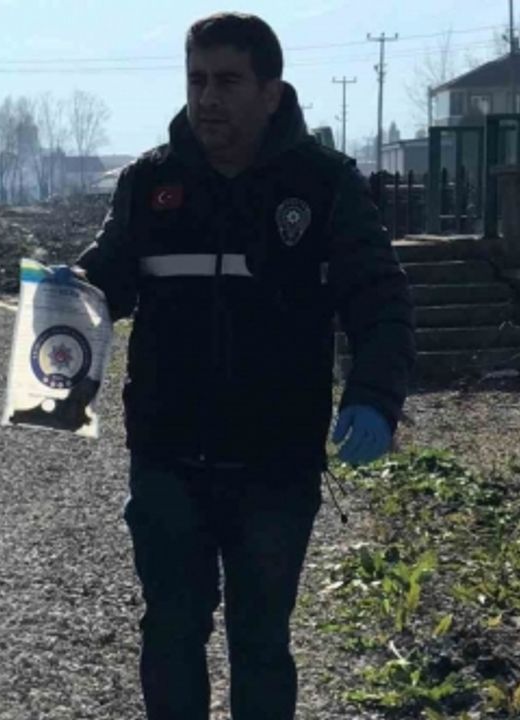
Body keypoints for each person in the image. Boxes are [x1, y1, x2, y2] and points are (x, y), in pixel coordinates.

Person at [73, 13, 414, 720]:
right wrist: (61, 298)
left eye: (227, 81)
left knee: (261, 642)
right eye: (196, 80)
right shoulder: (149, 183)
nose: (207, 98)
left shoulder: (324, 185)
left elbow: (380, 302)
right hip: (167, 458)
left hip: (276, 465)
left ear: (271, 91)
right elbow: (105, 283)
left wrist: (375, 398)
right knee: (171, 633)